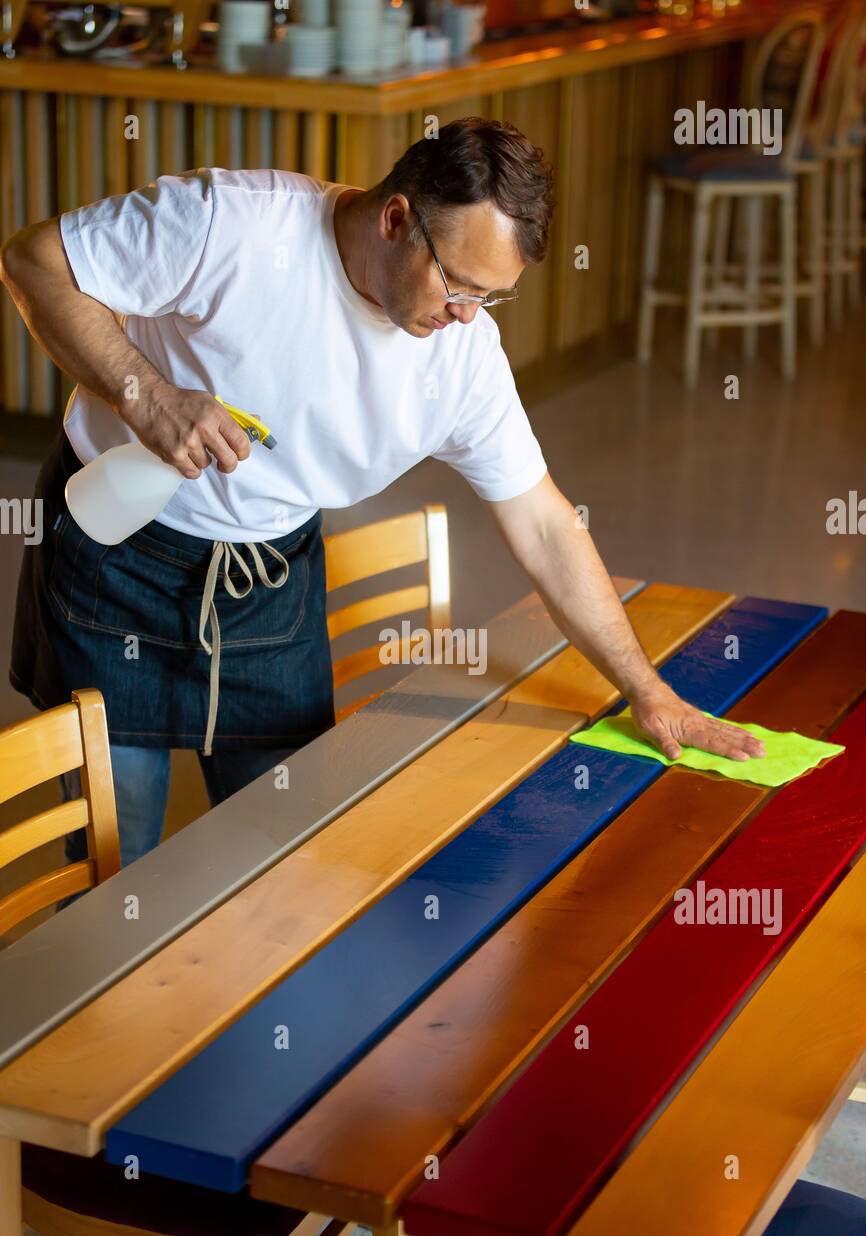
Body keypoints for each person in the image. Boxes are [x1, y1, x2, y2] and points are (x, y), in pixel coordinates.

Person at [0, 117, 763, 868]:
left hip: (267, 580)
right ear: (396, 218)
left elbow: (544, 524)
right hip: (117, 556)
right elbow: (31, 261)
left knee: (284, 852)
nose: (467, 315)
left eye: (491, 298)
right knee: (118, 854)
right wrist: (147, 395)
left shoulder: (463, 354)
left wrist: (648, 689)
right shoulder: (230, 224)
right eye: (460, 284)